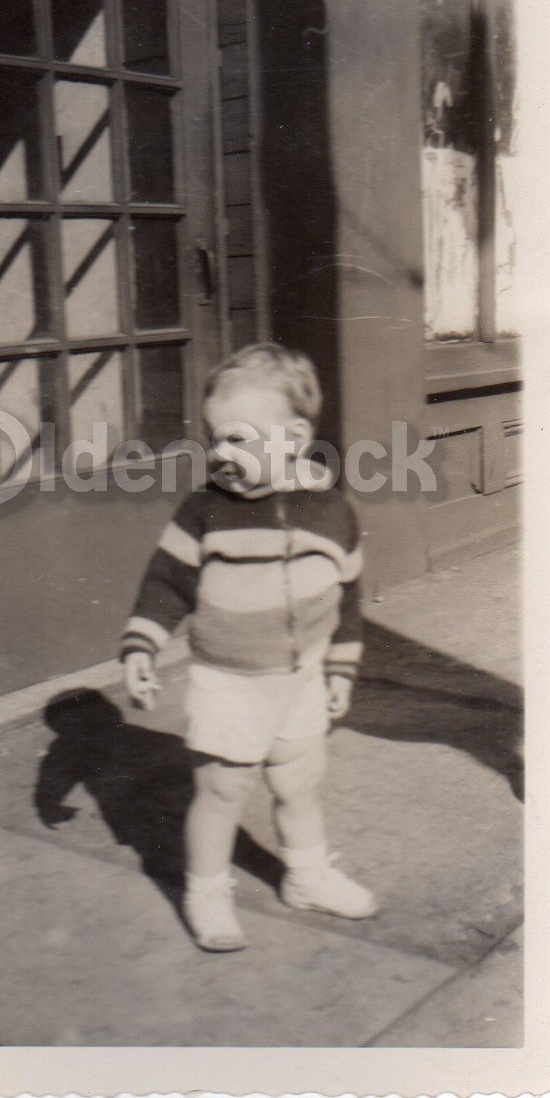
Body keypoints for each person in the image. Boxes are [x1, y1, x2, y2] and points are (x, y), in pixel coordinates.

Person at [120, 343, 377, 952]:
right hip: (231, 680)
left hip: (302, 678)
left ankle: (308, 876)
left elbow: (347, 595)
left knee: (298, 784)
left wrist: (341, 667)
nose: (221, 454)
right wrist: (141, 646)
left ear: (293, 437)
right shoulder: (206, 511)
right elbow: (166, 581)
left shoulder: (333, 511)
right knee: (222, 792)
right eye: (215, 440)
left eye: (237, 439)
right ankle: (205, 892)